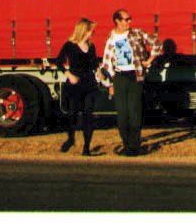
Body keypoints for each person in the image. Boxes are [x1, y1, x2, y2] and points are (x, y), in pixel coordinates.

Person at [100, 9, 161, 157]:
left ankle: (134, 147)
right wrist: (109, 84)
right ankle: (126, 144)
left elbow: (157, 43)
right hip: (120, 77)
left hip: (135, 75)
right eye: (126, 19)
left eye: (129, 19)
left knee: (134, 112)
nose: (129, 22)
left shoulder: (137, 34)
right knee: (122, 114)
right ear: (117, 21)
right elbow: (107, 62)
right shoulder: (112, 38)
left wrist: (148, 61)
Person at [54, 17, 101, 156]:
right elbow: (58, 61)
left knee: (88, 115)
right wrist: (69, 75)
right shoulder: (70, 45)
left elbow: (93, 64)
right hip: (75, 84)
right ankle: (71, 138)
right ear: (84, 30)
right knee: (73, 113)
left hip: (89, 84)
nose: (93, 33)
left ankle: (86, 147)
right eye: (91, 31)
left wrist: (99, 71)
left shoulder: (91, 46)